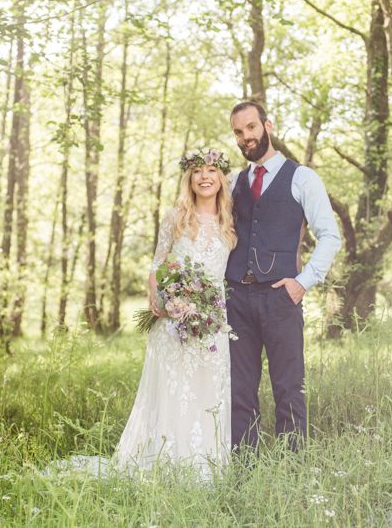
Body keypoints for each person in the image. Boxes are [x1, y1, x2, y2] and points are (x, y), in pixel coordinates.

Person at [113, 148, 237, 476]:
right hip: (173, 322)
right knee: (174, 393)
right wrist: (159, 298)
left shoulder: (230, 221)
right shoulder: (175, 217)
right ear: (189, 178)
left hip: (213, 324)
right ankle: (166, 465)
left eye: (211, 171)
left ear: (222, 178)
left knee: (208, 393)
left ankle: (206, 469)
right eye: (197, 171)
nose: (205, 177)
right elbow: (157, 265)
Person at [225, 101, 341, 453]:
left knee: (289, 387)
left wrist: (302, 282)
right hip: (236, 300)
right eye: (238, 132)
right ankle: (244, 468)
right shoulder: (232, 182)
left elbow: (330, 236)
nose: (246, 137)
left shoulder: (303, 178)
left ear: (267, 125)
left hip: (280, 298)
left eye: (251, 127)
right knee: (239, 389)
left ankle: (291, 469)